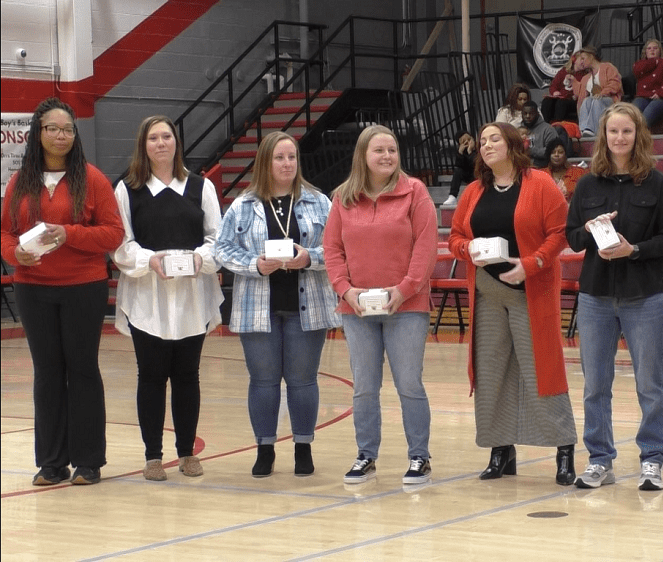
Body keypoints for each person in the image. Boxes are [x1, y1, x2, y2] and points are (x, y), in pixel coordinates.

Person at [0, 97, 125, 486]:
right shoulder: (20, 181)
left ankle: (89, 461)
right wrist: (15, 253)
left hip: (82, 288)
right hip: (33, 289)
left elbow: (113, 233)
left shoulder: (93, 179)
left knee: (83, 369)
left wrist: (68, 233)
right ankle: (52, 462)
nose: (60, 135)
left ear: (75, 135)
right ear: (37, 134)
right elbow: (4, 232)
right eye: (52, 128)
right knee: (47, 372)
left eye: (67, 129)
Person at [448, 121, 578, 486]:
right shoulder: (473, 191)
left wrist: (532, 263)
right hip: (488, 293)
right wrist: (466, 249)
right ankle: (500, 450)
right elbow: (456, 236)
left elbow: (560, 234)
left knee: (542, 371)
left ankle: (564, 448)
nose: (485, 145)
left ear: (513, 145)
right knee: (491, 372)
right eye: (482, 141)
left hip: (530, 290)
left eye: (494, 139)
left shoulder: (541, 185)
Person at [566, 102, 663, 491]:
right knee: (595, 384)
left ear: (638, 135)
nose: (619, 138)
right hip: (595, 297)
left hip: (644, 297)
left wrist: (634, 250)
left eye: (626, 132)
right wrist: (590, 228)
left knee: (650, 384)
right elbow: (572, 237)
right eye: (613, 132)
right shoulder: (586, 184)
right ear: (604, 136)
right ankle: (600, 460)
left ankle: (652, 460)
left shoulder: (657, 183)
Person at [216, 131, 339, 478]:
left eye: (292, 157)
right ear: (265, 162)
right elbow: (222, 249)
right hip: (258, 305)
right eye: (279, 158)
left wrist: (309, 258)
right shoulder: (243, 204)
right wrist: (254, 265)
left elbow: (336, 248)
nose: (287, 164)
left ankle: (303, 447)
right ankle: (265, 448)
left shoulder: (318, 202)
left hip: (308, 304)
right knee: (264, 381)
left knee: (302, 381)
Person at [112, 116, 224, 481]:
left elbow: (217, 241)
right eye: (153, 138)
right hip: (148, 297)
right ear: (143, 145)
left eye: (167, 137)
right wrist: (150, 261)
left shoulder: (200, 187)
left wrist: (198, 260)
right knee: (151, 376)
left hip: (192, 295)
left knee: (188, 375)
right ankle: (153, 457)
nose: (161, 143)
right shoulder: (127, 190)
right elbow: (122, 245)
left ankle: (187, 452)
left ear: (177, 142)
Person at [324, 125, 437, 485]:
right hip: (357, 310)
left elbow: (425, 247)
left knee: (409, 384)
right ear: (363, 156)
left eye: (392, 149)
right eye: (379, 151)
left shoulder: (415, 192)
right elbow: (332, 249)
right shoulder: (343, 197)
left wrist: (404, 290)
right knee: (364, 387)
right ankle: (365, 455)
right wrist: (346, 290)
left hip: (407, 306)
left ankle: (419, 456)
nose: (387, 156)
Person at [571, 46, 623, 137]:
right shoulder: (585, 78)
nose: (581, 62)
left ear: (591, 56)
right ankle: (583, 130)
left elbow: (616, 84)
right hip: (593, 101)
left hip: (608, 101)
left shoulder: (607, 67)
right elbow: (580, 97)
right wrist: (573, 82)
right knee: (587, 101)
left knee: (596, 100)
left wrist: (602, 93)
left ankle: (592, 129)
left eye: (583, 58)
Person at [631, 39, 663, 127]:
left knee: (649, 111)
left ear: (660, 51)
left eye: (655, 48)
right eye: (649, 48)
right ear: (645, 52)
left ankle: (640, 136)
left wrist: (661, 93)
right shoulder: (639, 65)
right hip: (643, 97)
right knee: (633, 111)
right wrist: (654, 61)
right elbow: (636, 70)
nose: (652, 50)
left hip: (661, 98)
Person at [542, 52, 585, 124]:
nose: (583, 62)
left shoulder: (585, 75)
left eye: (584, 60)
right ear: (574, 60)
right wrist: (554, 92)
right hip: (560, 97)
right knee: (547, 101)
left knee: (561, 103)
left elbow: (582, 90)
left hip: (573, 100)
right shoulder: (563, 72)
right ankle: (546, 126)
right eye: (581, 59)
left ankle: (558, 126)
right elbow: (553, 86)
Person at [544, 138, 587, 202]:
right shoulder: (542, 174)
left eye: (560, 152)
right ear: (549, 155)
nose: (556, 155)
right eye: (553, 152)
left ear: (565, 155)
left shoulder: (579, 172)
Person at [521, 100, 558, 168]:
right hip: (523, 168)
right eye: (525, 113)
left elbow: (552, 151)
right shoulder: (519, 130)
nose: (528, 116)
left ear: (537, 113)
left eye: (531, 113)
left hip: (543, 168)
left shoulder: (548, 129)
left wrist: (530, 151)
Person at [443, 130, 476, 206]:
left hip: (479, 175)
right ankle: (452, 196)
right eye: (464, 141)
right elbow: (459, 166)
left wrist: (470, 152)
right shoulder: (462, 152)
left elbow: (477, 164)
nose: (468, 142)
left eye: (469, 139)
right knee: (458, 170)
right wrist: (460, 153)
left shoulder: (479, 148)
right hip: (469, 175)